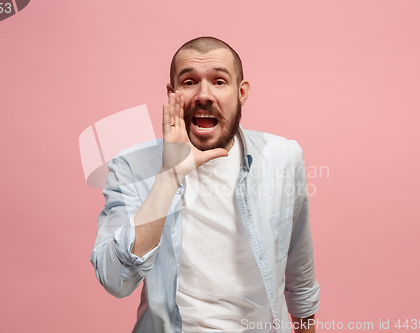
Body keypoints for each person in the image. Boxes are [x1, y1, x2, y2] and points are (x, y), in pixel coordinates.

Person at [90, 36, 320, 333]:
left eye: (219, 81)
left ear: (241, 92)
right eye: (189, 82)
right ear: (172, 93)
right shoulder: (132, 167)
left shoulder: (283, 158)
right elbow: (115, 280)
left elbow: (299, 274)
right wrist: (169, 177)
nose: (204, 95)